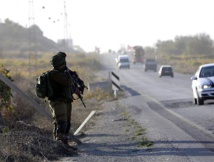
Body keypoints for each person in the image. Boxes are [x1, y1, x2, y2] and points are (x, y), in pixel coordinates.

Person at [48, 52, 85, 148]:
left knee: (67, 122)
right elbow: (68, 82)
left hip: (65, 100)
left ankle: (65, 143)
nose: (65, 66)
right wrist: (71, 78)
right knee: (61, 122)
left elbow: (68, 85)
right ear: (60, 64)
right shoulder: (55, 74)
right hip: (58, 101)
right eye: (63, 64)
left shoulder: (62, 73)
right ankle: (61, 144)